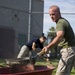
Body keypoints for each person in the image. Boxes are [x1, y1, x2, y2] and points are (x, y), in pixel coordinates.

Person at [43, 5, 75, 75]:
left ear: (59, 13)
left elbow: (60, 36)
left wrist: (48, 47)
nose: (51, 16)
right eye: (50, 15)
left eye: (53, 14)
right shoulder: (63, 21)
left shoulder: (60, 22)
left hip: (68, 50)